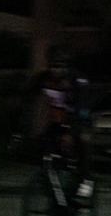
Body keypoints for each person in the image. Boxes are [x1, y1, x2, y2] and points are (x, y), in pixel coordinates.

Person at [22, 45, 94, 199]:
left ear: (67, 66)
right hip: (58, 120)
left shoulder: (78, 80)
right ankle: (52, 184)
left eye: (60, 66)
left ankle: (86, 180)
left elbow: (82, 107)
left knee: (82, 139)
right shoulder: (43, 78)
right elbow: (27, 96)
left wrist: (70, 132)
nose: (56, 70)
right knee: (42, 143)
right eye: (53, 66)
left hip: (79, 119)